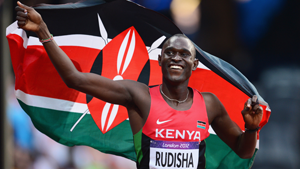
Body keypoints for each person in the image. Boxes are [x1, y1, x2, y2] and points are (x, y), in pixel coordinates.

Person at [15, 1, 263, 168]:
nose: (177, 58)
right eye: (170, 53)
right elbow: (75, 78)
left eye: (184, 54)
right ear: (159, 59)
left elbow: (242, 150)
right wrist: (45, 33)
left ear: (195, 64)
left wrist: (251, 130)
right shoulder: (139, 96)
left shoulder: (209, 104)